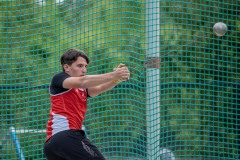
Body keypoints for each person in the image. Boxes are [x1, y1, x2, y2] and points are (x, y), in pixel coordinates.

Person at [43, 49, 130, 160]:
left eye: (85, 66)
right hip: (66, 136)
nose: (84, 70)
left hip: (52, 145)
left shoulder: (81, 89)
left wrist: (116, 79)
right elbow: (83, 81)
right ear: (66, 67)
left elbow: (99, 88)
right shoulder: (59, 79)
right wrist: (114, 74)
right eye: (80, 66)